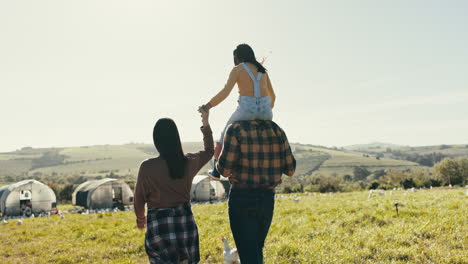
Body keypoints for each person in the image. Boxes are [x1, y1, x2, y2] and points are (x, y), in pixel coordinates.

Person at [134, 109, 214, 264]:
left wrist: (140, 219)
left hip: (159, 228)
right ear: (176, 138)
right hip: (185, 226)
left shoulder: (147, 167)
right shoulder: (189, 162)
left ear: (156, 141)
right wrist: (205, 124)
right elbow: (210, 151)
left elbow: (138, 200)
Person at [216, 119, 296, 263]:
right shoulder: (276, 129)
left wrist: (217, 161)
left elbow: (225, 170)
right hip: (266, 199)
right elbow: (290, 170)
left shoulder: (236, 129)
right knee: (255, 250)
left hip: (242, 198)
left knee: (249, 254)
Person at [199, 43, 276, 178]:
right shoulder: (262, 71)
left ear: (238, 57)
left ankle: (217, 172)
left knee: (224, 134)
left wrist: (208, 105)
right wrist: (266, 110)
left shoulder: (238, 69)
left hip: (246, 111)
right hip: (266, 112)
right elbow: (273, 96)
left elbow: (225, 92)